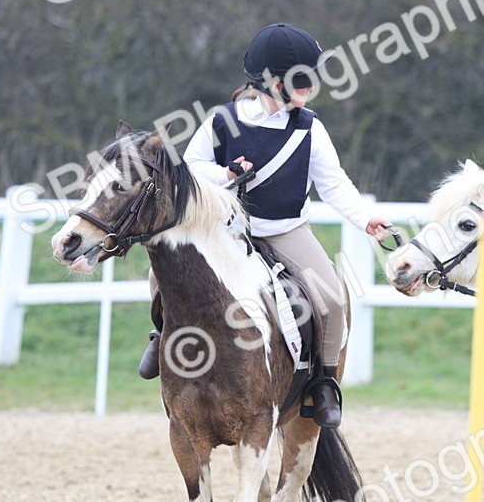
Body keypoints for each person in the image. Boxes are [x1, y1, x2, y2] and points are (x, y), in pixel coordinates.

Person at [138, 23, 392, 429]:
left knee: (333, 300)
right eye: (302, 80)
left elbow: (333, 182)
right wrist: (224, 174)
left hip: (286, 229)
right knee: (160, 271)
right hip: (227, 231)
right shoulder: (222, 121)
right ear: (271, 82)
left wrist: (365, 218)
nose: (311, 88)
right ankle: (163, 333)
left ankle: (323, 381)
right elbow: (191, 168)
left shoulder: (310, 128)